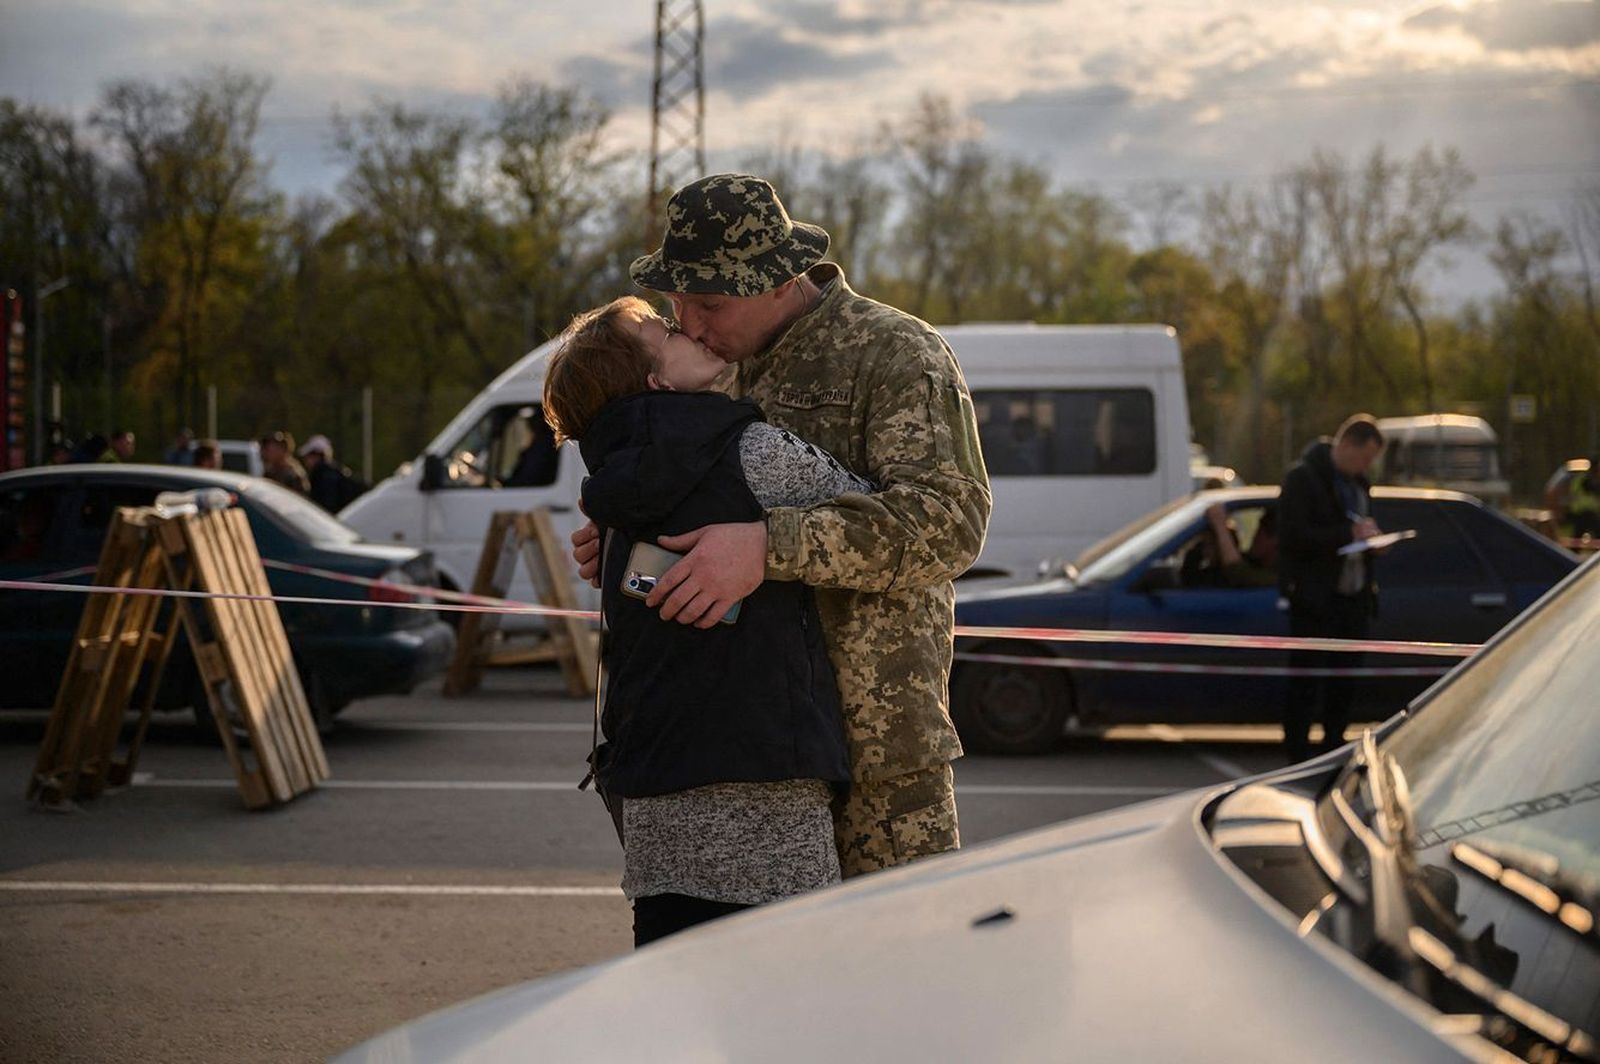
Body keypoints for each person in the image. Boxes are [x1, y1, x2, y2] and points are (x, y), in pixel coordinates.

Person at [572, 173, 992, 878]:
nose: (690, 323)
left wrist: (772, 547)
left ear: (780, 279)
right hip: (752, 757)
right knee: (761, 983)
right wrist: (631, 555)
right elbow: (696, 553)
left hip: (876, 756)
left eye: (708, 302)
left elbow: (949, 522)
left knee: (894, 970)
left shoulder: (893, 352)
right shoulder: (708, 371)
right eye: (675, 304)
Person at [544, 294, 864, 946]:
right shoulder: (750, 453)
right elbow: (882, 517)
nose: (687, 328)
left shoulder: (612, 490)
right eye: (664, 331)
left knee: (680, 1026)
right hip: (770, 806)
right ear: (656, 380)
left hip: (657, 805)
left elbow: (660, 599)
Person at [1277, 414, 1386, 764]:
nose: (1367, 466)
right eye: (1365, 457)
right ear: (1346, 445)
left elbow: (1359, 529)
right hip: (1315, 599)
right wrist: (1347, 535)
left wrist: (1374, 543)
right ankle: (1297, 755)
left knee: (1345, 681)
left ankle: (1333, 749)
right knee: (1306, 681)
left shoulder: (1359, 485)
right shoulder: (1304, 478)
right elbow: (1294, 536)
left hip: (1354, 596)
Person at [1193, 503, 1279, 588]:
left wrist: (1220, 525)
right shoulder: (1254, 562)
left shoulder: (1281, 577)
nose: (1255, 538)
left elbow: (1240, 574)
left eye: (1260, 534)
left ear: (1275, 541)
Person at [299, 434, 366, 513]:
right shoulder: (334, 472)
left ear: (318, 456)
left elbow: (327, 506)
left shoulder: (324, 477)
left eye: (309, 456)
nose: (306, 460)